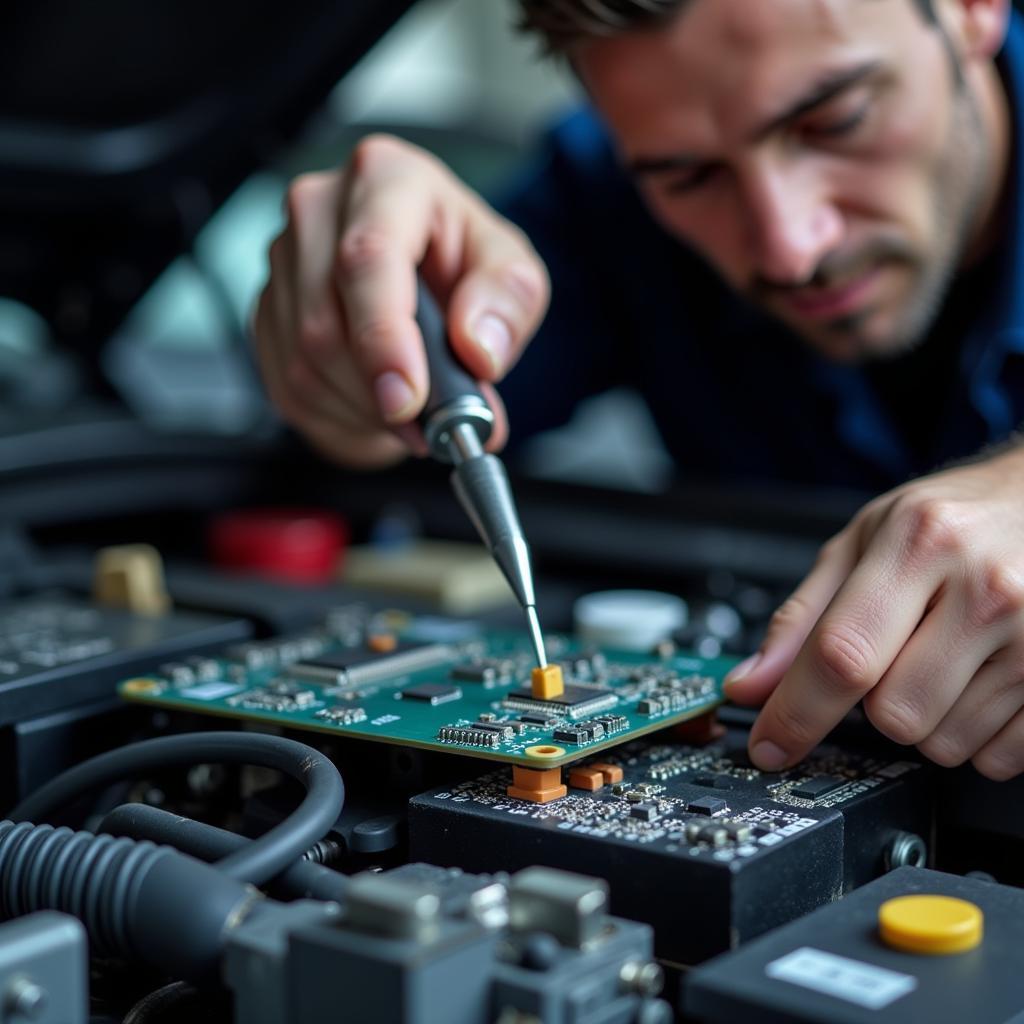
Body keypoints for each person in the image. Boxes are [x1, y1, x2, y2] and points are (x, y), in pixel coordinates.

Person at [253, 0, 1024, 781]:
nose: (790, 249)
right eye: (687, 176)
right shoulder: (601, 197)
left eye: (835, 120)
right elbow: (395, 432)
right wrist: (354, 352)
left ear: (970, 10)